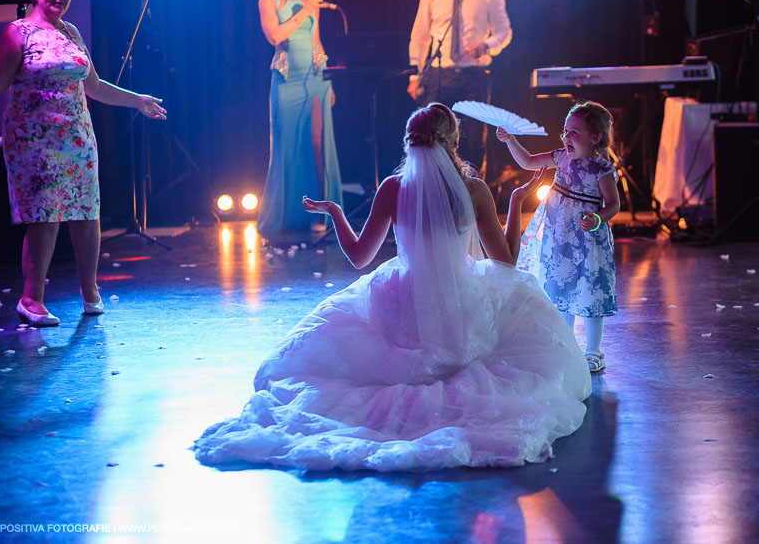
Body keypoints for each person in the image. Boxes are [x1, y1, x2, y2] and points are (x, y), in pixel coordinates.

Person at [193, 103, 592, 471]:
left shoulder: (393, 188)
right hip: (464, 311)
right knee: (520, 299)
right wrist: (516, 204)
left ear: (410, 143)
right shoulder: (475, 191)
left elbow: (360, 257)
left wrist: (335, 212)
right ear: (454, 142)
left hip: (404, 306)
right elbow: (504, 260)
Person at [0, 0, 167, 326]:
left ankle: (91, 292)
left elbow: (95, 86)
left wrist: (138, 100)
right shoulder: (18, 33)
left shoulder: (71, 33)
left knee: (87, 214)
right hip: (33, 140)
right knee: (45, 217)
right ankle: (31, 299)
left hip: (77, 137)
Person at [497, 101, 620, 373]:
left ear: (595, 137)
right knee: (561, 287)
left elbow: (613, 203)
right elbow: (528, 161)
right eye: (565, 132)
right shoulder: (560, 157)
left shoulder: (602, 169)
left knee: (588, 289)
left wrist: (598, 217)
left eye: (574, 133)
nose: (566, 138)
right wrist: (510, 140)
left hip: (587, 238)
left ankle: (593, 351)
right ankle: (566, 344)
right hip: (561, 236)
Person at [256, 0, 342, 240]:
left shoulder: (310, 2)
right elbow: (275, 36)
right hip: (286, 79)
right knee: (287, 146)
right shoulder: (268, 0)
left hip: (316, 77)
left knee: (318, 143)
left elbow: (316, 41)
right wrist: (304, 10)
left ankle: (324, 212)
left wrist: (329, 79)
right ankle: (287, 213)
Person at [407, 0, 512, 174]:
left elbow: (504, 31)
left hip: (473, 76)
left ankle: (473, 200)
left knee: (473, 141)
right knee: (433, 138)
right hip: (439, 76)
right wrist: (414, 76)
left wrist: (486, 45)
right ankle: (437, 194)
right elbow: (420, 36)